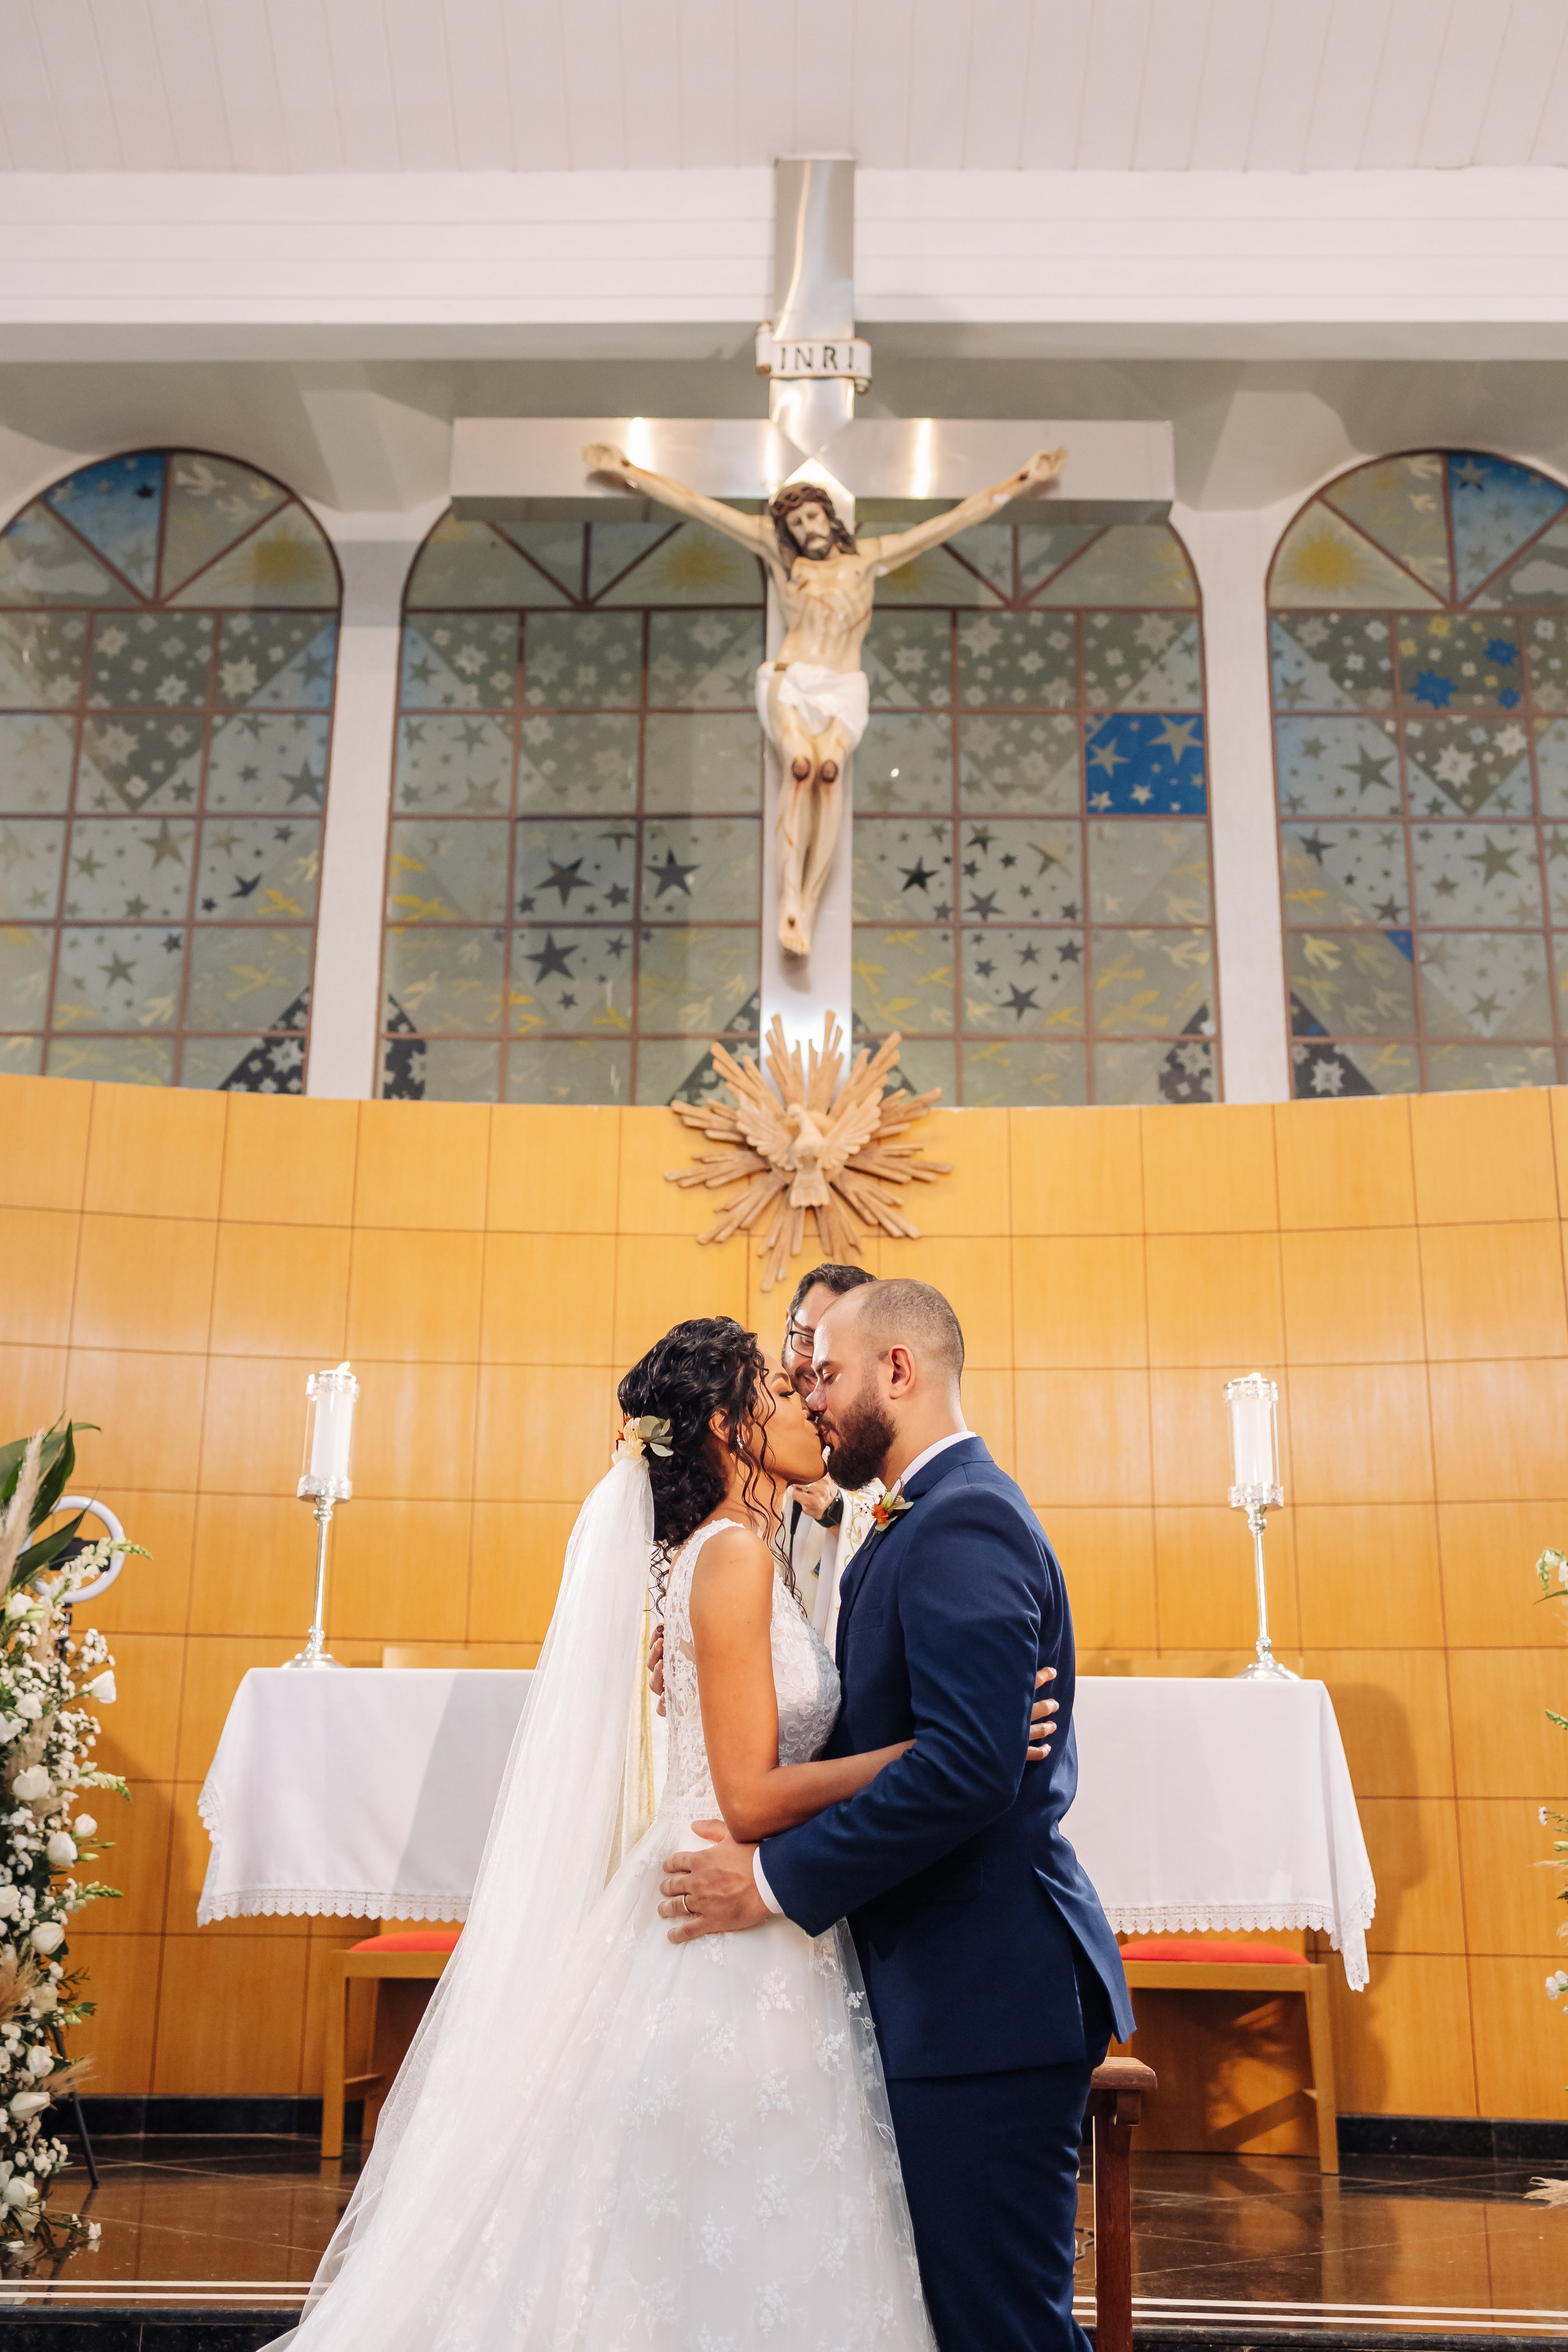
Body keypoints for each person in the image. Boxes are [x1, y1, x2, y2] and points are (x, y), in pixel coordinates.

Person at [274, 1316, 939, 2350]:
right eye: (772, 1388)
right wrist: (923, 1758)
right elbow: (753, 1797)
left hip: (739, 1897)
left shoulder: (716, 1551)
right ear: (727, 1427)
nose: (802, 1400)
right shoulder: (731, 1559)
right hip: (725, 1907)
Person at [658, 1279, 1134, 2352]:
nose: (811, 1396)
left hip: (983, 1997)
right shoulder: (906, 1523)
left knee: (998, 2327)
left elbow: (968, 1770)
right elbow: (902, 1741)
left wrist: (773, 1881)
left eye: (823, 1373)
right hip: (929, 1990)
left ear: (899, 1372)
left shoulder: (964, 1521)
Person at [582, 439, 1066, 956]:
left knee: (828, 773)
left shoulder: (871, 558)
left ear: (829, 517)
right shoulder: (778, 554)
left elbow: (949, 523)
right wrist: (628, 469)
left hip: (843, 685)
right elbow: (699, 505)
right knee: (799, 768)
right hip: (791, 677)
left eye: (812, 517)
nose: (806, 529)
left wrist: (1022, 480)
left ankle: (808, 904)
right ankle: (788, 898)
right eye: (796, 524)